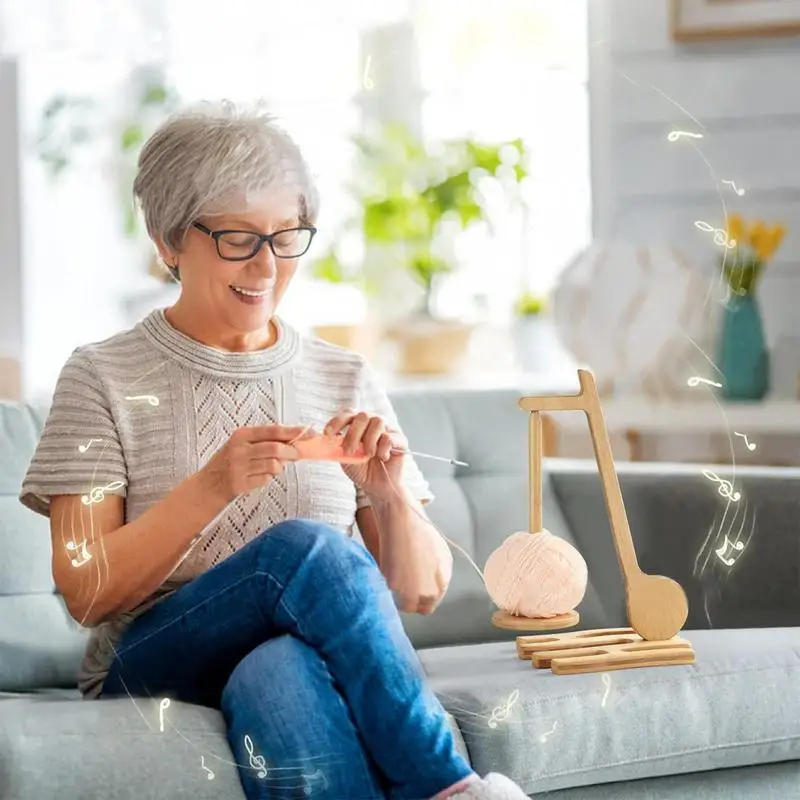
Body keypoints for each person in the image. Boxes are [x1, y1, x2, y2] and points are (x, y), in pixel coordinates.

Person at [19, 102, 530, 800]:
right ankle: (451, 786)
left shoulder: (341, 374)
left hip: (282, 657)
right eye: (238, 238)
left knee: (278, 670)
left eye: (287, 237)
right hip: (148, 662)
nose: (267, 265)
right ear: (169, 240)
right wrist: (213, 487)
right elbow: (86, 591)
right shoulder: (101, 376)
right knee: (300, 551)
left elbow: (420, 589)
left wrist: (388, 494)